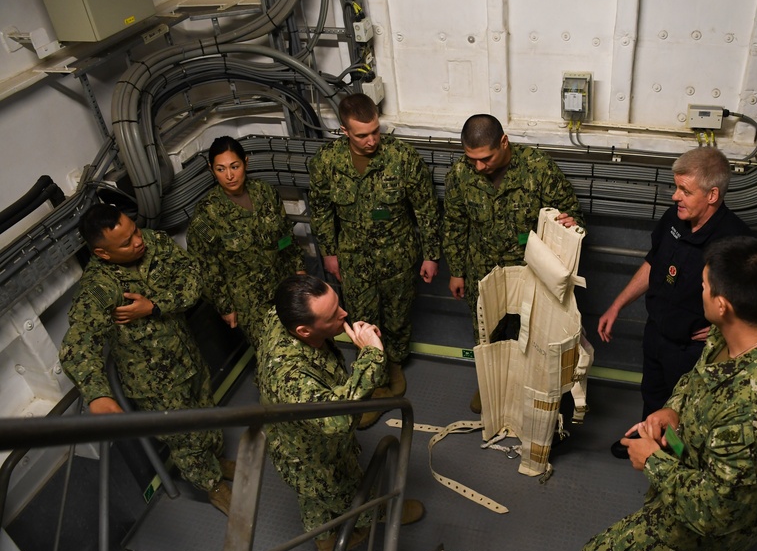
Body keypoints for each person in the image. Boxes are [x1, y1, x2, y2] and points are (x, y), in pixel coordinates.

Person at [578, 236, 757, 551]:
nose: (697, 290)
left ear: (722, 304)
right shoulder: (751, 325)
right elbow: (700, 377)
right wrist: (673, 411)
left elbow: (715, 510)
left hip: (711, 518)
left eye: (702, 285)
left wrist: (651, 460)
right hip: (698, 469)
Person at [59, 204, 233, 515]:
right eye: (126, 242)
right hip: (156, 385)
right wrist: (98, 395)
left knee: (208, 412)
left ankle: (217, 460)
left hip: (188, 356)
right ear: (103, 254)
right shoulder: (100, 288)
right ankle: (214, 485)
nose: (138, 241)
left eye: (135, 231)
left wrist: (154, 305)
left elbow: (192, 275)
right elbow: (77, 343)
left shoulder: (153, 242)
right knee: (185, 439)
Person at [255, 274, 424, 551]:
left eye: (338, 304)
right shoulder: (291, 378)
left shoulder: (280, 313)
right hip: (312, 453)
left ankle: (325, 543)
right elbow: (339, 420)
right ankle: (381, 513)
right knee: (344, 490)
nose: (344, 314)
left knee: (312, 498)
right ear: (304, 331)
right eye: (333, 315)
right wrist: (371, 356)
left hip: (292, 436)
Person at [598, 147, 751, 458]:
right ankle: (646, 439)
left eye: (685, 190)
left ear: (712, 195)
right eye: (676, 187)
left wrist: (723, 330)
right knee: (652, 395)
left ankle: (672, 460)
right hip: (656, 331)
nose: (674, 197)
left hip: (690, 349)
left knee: (683, 410)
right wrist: (617, 305)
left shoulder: (735, 242)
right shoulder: (676, 218)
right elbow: (654, 263)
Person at [308, 93, 441, 428]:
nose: (371, 141)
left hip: (398, 254)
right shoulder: (327, 162)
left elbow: (426, 209)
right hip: (353, 258)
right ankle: (373, 379)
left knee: (397, 318)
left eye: (375, 132)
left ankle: (393, 365)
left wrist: (431, 255)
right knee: (363, 321)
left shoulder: (401, 157)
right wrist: (329, 252)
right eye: (361, 135)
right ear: (343, 131)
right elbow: (322, 209)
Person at [442, 114, 585, 411]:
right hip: (482, 269)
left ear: (504, 142)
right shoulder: (459, 174)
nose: (479, 167)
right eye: (472, 160)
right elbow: (454, 223)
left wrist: (571, 222)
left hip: (530, 273)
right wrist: (456, 271)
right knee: (486, 333)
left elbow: (571, 212)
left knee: (530, 335)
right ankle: (490, 385)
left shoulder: (537, 167)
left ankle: (525, 390)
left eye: (486, 158)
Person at [187, 136, 305, 347]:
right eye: (221, 169)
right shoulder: (206, 214)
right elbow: (207, 268)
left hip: (284, 286)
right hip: (250, 302)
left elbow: (285, 236)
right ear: (211, 170)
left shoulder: (265, 193)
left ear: (246, 163)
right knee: (272, 354)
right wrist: (225, 307)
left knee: (302, 341)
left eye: (235, 166)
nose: (229, 175)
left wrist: (298, 270)